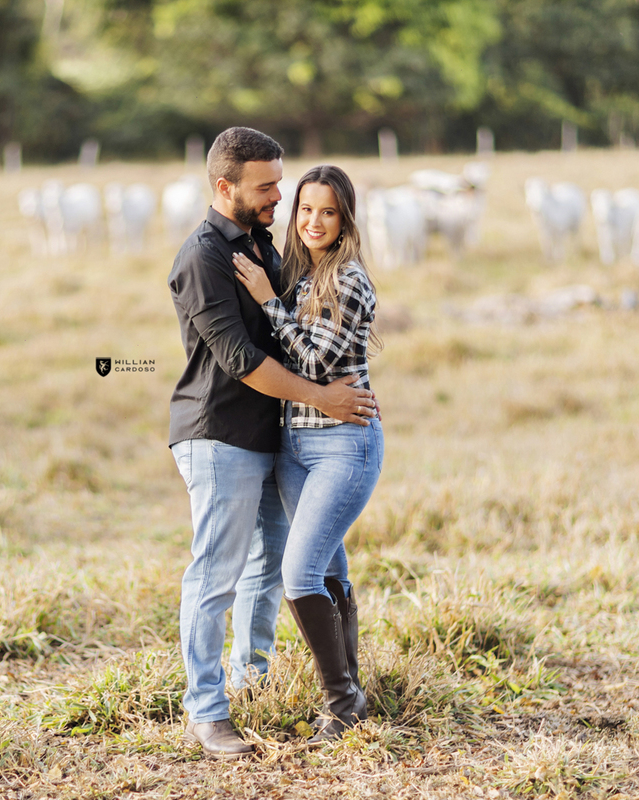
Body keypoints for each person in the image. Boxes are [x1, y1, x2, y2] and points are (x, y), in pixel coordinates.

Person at [168, 129, 378, 759]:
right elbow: (241, 360)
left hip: (274, 439)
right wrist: (323, 398)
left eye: (280, 183)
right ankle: (207, 712)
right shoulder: (203, 257)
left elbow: (318, 327)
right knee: (216, 574)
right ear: (224, 186)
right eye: (267, 186)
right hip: (220, 435)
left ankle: (251, 680)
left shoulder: (263, 244)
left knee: (269, 571)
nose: (280, 196)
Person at [232, 164, 382, 743]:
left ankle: (341, 702)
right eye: (305, 209)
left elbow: (315, 365)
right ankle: (353, 684)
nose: (314, 221)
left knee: (299, 575)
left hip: (344, 444)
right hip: (297, 444)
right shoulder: (303, 275)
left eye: (328, 211)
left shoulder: (347, 278)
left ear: (345, 220)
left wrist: (268, 301)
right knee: (331, 567)